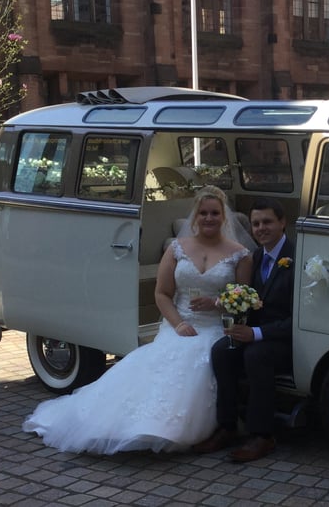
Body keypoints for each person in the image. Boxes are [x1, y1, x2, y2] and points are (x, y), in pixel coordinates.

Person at [22, 185, 253, 454]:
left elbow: (242, 299)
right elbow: (162, 293)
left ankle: (185, 426)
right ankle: (125, 420)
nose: (209, 218)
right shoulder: (177, 249)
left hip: (215, 327)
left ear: (224, 216)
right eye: (203, 213)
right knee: (160, 363)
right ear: (195, 216)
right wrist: (179, 324)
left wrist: (216, 303)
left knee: (202, 362)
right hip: (179, 324)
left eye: (214, 213)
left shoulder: (239, 254)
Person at [193, 197, 295, 462]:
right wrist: (238, 323)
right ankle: (227, 427)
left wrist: (256, 334)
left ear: (282, 222)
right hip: (257, 333)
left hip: (287, 339)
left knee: (255, 355)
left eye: (267, 222)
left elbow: (299, 318)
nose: (261, 228)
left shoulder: (298, 257)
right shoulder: (256, 257)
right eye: (256, 224)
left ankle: (262, 435)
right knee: (222, 350)